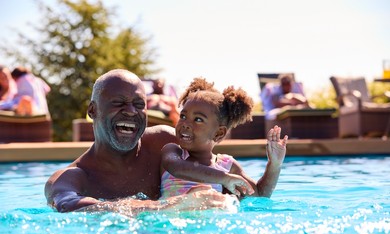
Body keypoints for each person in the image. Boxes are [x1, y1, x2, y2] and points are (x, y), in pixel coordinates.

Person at [44, 69, 231, 216]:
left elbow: (231, 185)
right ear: (93, 110)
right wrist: (169, 206)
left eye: (139, 104)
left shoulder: (164, 145)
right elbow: (66, 206)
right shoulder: (72, 177)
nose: (131, 111)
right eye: (119, 103)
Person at [160, 77, 288, 199]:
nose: (185, 124)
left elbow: (259, 195)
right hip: (174, 213)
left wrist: (274, 165)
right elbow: (176, 168)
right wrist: (224, 178)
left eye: (198, 119)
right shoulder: (174, 152)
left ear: (219, 133)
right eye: (183, 116)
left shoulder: (226, 165)